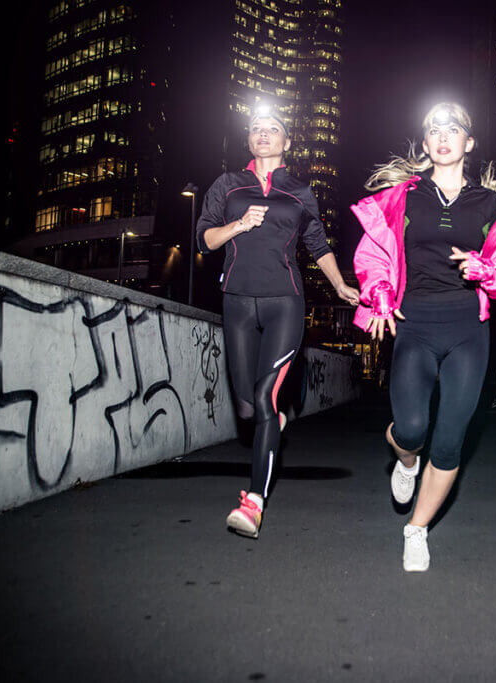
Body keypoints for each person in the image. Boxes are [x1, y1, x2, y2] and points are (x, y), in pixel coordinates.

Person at [352, 103, 496, 571]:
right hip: (414, 324)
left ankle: (417, 529)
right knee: (410, 430)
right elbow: (372, 255)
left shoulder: (490, 205)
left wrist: (484, 268)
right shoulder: (403, 196)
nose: (443, 136)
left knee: (449, 441)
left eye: (454, 130)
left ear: (469, 144)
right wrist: (380, 291)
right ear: (425, 146)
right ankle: (405, 461)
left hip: (469, 328)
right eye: (433, 131)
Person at [196, 107, 360, 538]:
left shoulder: (300, 191)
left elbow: (317, 244)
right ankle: (275, 422)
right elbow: (204, 239)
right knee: (248, 407)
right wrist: (237, 224)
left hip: (284, 301)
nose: (263, 134)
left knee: (265, 397)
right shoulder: (227, 185)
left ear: (287, 142)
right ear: (248, 140)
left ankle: (254, 503)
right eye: (255, 128)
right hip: (236, 302)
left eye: (272, 129)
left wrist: (341, 286)